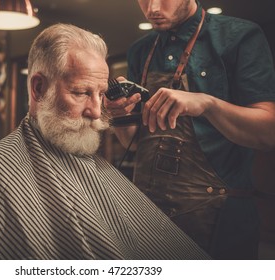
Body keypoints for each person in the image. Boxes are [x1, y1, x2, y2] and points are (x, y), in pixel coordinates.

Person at [0, 23, 209, 260]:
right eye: (82, 92)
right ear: (38, 88)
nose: (97, 111)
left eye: (101, 94)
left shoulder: (85, 158)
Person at [104, 0, 275, 259]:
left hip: (218, 218)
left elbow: (268, 132)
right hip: (148, 212)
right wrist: (118, 115)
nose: (153, 9)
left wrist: (207, 104)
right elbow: (138, 142)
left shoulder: (240, 36)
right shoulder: (140, 50)